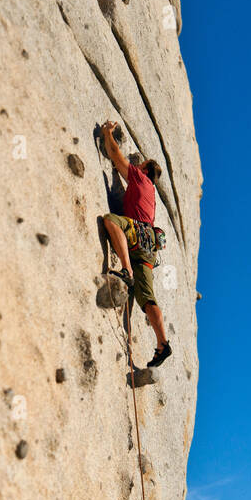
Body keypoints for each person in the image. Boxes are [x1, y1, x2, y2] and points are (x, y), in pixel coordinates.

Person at [97, 120, 171, 367]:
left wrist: (107, 133)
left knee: (111, 221)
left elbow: (116, 156)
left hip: (138, 235)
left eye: (141, 164)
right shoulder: (151, 195)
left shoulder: (141, 179)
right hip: (149, 248)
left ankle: (127, 270)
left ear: (146, 170)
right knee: (148, 299)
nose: (137, 165)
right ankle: (162, 343)